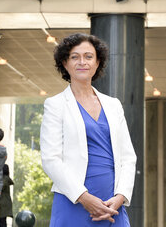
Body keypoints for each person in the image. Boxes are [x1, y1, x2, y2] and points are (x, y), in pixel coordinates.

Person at [41, 33, 137, 227]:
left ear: (97, 62)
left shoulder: (114, 105)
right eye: (74, 57)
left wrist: (121, 196)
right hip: (73, 201)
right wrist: (83, 197)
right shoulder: (55, 104)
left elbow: (128, 157)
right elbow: (51, 159)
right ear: (65, 63)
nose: (82, 62)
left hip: (112, 206)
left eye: (88, 56)